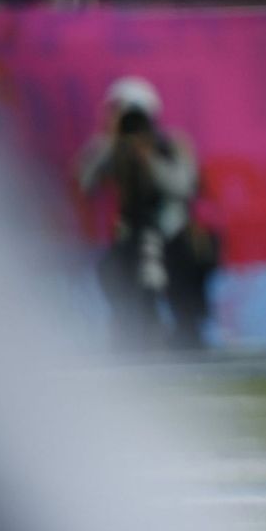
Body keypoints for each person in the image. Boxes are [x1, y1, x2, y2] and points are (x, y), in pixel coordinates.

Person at [77, 77, 217, 350]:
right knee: (110, 269)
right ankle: (134, 329)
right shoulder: (110, 148)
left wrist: (149, 158)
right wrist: (109, 140)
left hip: (172, 235)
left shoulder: (172, 143)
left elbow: (184, 186)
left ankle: (186, 331)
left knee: (186, 274)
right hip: (132, 235)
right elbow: (85, 182)